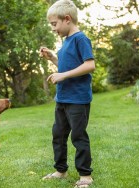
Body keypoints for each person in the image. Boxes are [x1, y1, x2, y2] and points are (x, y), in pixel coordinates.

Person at [39, 0, 95, 187]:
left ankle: (85, 176)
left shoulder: (81, 39)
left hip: (77, 100)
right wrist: (53, 58)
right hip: (62, 99)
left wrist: (62, 75)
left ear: (67, 19)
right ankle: (61, 170)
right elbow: (66, 67)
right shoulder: (66, 42)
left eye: (54, 24)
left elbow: (90, 65)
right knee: (58, 136)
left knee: (78, 137)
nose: (53, 29)